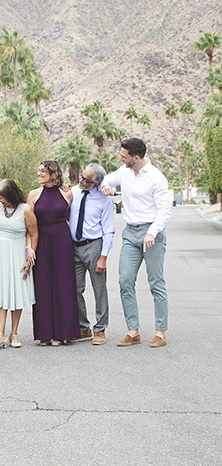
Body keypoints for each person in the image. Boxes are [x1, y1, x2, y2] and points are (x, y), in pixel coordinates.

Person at [100, 138, 171, 348]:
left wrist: (152, 233)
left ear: (136, 157)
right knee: (125, 281)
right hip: (130, 234)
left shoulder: (157, 178)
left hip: (152, 234)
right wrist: (106, 188)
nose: (121, 158)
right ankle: (133, 332)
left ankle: (160, 332)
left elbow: (165, 209)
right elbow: (106, 179)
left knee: (156, 283)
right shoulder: (124, 171)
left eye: (124, 156)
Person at [28, 161, 80, 345]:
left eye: (43, 171)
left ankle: (62, 333)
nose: (39, 173)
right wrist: (29, 249)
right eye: (39, 170)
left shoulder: (67, 193)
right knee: (42, 285)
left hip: (62, 241)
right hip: (41, 241)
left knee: (63, 285)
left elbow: (67, 216)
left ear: (53, 173)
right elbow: (30, 226)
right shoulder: (33, 195)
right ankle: (44, 334)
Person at [0, 179, 37, 350]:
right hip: (0, 253)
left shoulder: (25, 210)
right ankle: (0, 335)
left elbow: (34, 233)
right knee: (0, 293)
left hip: (17, 253)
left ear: (11, 195)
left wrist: (30, 252)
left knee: (16, 292)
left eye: (2, 197)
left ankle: (14, 333)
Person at [68, 164, 115, 345]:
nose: (80, 180)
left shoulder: (105, 199)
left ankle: (100, 329)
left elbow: (109, 230)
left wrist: (103, 257)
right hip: (73, 247)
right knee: (75, 289)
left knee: (99, 289)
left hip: (94, 246)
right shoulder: (73, 192)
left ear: (95, 184)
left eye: (85, 180)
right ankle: (83, 328)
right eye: (81, 176)